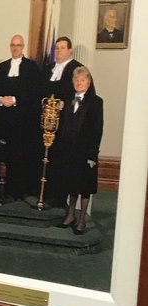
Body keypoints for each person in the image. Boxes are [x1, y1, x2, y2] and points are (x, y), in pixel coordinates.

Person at [49, 64, 103, 232]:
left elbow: (97, 128)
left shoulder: (96, 102)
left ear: (88, 82)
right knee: (71, 184)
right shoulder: (68, 99)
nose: (79, 83)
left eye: (82, 80)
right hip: (69, 150)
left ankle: (81, 220)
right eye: (77, 80)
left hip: (85, 151)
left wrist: (92, 155)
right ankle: (70, 215)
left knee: (84, 186)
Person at [0, 34, 41, 198]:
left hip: (23, 121)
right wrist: (1, 99)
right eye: (13, 45)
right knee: (3, 153)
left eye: (18, 45)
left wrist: (16, 100)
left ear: (23, 47)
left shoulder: (31, 67)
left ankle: (17, 190)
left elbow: (35, 93)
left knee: (19, 156)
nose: (15, 48)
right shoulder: (3, 67)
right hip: (3, 119)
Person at [43, 35, 80, 104]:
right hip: (47, 112)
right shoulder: (48, 69)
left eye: (62, 48)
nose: (59, 51)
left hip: (67, 112)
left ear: (70, 50)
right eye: (57, 48)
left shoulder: (77, 69)